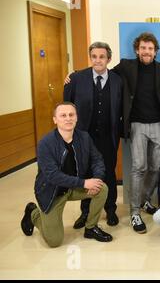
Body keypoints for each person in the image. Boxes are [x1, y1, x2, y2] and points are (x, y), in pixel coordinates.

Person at [20, 102, 112, 247]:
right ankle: (33, 214)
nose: (68, 118)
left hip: (74, 187)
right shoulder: (45, 143)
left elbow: (97, 160)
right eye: (63, 115)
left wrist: (97, 179)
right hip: (53, 191)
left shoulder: (84, 137)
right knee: (54, 241)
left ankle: (91, 228)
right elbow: (53, 175)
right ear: (55, 119)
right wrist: (84, 183)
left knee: (102, 188)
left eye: (71, 115)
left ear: (76, 118)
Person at [112, 32, 160, 233]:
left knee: (155, 167)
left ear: (155, 51)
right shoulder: (126, 66)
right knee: (139, 167)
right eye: (143, 48)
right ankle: (135, 212)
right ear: (137, 49)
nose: (146, 52)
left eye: (150, 49)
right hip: (136, 124)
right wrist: (75, 74)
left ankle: (145, 200)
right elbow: (104, 73)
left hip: (159, 124)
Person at [63, 42, 122, 229]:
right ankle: (85, 212)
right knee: (86, 173)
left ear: (108, 59)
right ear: (91, 58)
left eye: (102, 56)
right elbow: (67, 106)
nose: (98, 60)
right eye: (94, 56)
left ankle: (110, 209)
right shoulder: (76, 78)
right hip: (83, 137)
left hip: (108, 136)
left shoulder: (117, 80)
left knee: (109, 173)